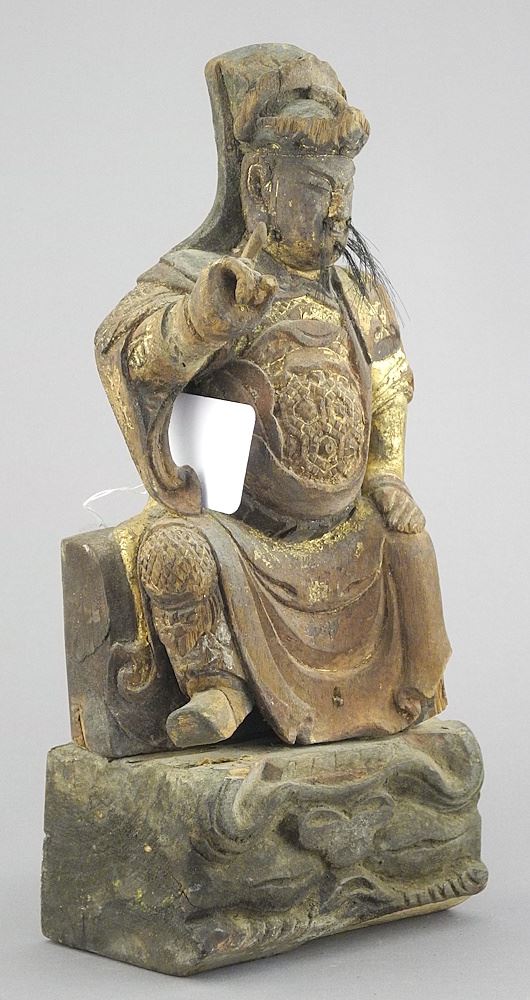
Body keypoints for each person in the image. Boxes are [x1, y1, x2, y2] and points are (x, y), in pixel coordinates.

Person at [95, 44, 450, 748]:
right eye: (316, 188)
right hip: (243, 535)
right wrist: (203, 320)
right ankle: (218, 685)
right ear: (259, 186)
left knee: (406, 539)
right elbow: (126, 350)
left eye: (345, 188)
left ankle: (408, 683)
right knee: (173, 552)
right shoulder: (204, 278)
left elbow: (388, 387)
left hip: (343, 528)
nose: (337, 211)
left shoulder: (355, 292)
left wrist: (385, 475)